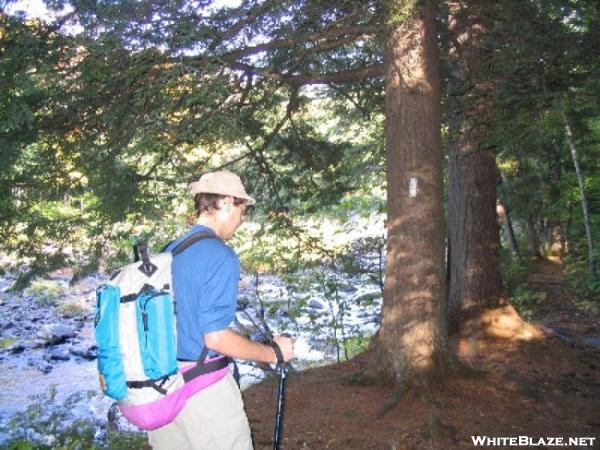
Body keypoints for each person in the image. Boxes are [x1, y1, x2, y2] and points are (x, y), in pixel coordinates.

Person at [148, 170, 295, 450]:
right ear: (228, 202)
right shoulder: (219, 255)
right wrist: (273, 353)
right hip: (203, 392)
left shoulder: (171, 250)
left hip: (163, 389)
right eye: (242, 210)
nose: (241, 220)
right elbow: (215, 337)